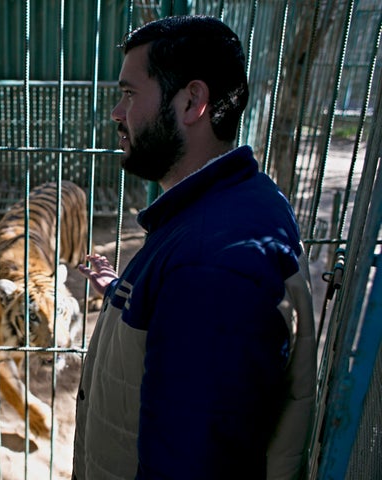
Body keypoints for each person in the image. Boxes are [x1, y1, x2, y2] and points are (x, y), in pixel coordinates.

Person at [73, 15, 317, 480]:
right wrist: (124, 292)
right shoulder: (227, 206)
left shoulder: (211, 263)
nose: (116, 113)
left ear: (191, 101)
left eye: (128, 94)